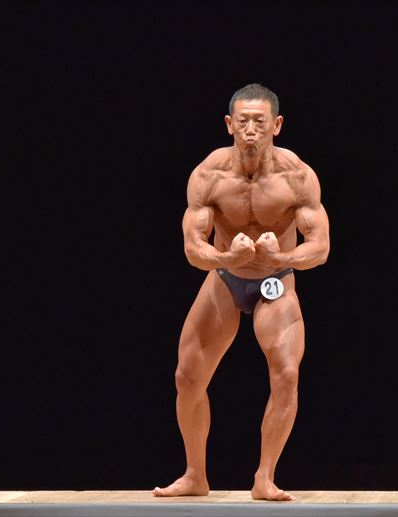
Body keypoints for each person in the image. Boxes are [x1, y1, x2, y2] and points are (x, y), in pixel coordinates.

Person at [153, 83, 330, 501]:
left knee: (287, 374)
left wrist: (281, 256)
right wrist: (225, 258)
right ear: (229, 124)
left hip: (276, 280)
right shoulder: (208, 175)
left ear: (277, 125)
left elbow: (320, 248)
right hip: (225, 278)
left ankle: (264, 477)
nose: (251, 130)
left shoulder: (297, 177)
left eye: (260, 122)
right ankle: (195, 475)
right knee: (187, 377)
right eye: (243, 121)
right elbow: (192, 248)